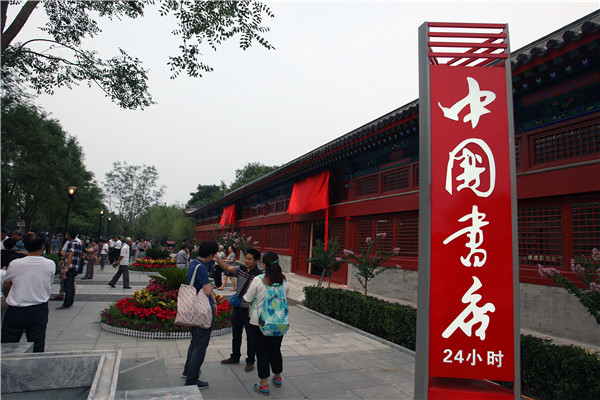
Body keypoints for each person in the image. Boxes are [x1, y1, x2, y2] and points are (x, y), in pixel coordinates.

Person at [244, 251, 289, 395]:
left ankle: (263, 385)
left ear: (263, 264)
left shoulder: (259, 280)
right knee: (275, 349)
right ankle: (277, 377)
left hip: (260, 323)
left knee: (262, 352)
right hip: (278, 322)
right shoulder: (284, 281)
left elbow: (248, 298)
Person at [1, 232, 55, 352]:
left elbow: (7, 283)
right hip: (38, 309)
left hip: (16, 309)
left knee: (8, 344)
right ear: (42, 247)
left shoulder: (15, 264)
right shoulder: (50, 264)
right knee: (37, 343)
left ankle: (7, 369)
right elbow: (48, 281)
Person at [215, 248, 262, 372]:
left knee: (251, 337)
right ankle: (235, 356)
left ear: (256, 261)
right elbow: (228, 268)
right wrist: (218, 260)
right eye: (246, 258)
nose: (246, 261)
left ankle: (250, 360)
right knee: (236, 334)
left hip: (250, 310)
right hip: (237, 307)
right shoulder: (240, 269)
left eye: (249, 259)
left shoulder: (259, 275)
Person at [182, 240, 217, 389]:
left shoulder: (193, 263)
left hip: (193, 307)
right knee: (200, 345)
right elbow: (208, 290)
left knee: (194, 341)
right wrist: (213, 298)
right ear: (210, 254)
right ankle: (192, 378)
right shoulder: (201, 268)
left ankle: (187, 370)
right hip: (202, 309)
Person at [57, 229, 82, 310]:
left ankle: (67, 303)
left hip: (70, 267)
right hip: (75, 266)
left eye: (67, 234)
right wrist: (63, 260)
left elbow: (70, 255)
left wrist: (66, 267)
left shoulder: (72, 244)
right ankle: (70, 302)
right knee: (71, 285)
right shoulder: (78, 243)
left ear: (69, 235)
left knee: (68, 286)